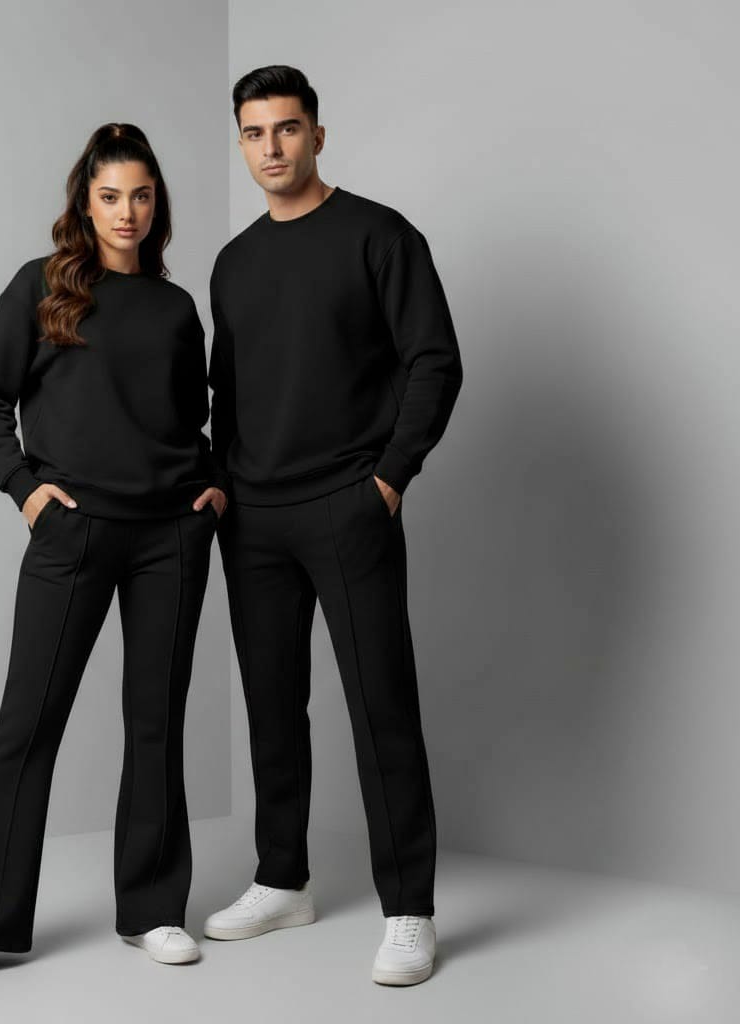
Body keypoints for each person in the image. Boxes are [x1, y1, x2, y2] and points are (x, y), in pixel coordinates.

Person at [0, 123, 228, 991]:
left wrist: (213, 486)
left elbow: (190, 419)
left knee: (156, 722)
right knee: (27, 723)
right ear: (85, 203)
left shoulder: (176, 309)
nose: (127, 212)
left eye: (141, 195)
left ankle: (155, 909)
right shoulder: (41, 285)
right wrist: (25, 490)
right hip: (75, 531)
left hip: (170, 536)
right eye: (110, 196)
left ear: (157, 202)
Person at [203, 66, 463, 987]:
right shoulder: (233, 263)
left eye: (286, 128)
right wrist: (224, 488)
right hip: (254, 518)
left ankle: (409, 909)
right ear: (241, 143)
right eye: (254, 132)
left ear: (317, 134)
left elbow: (434, 362)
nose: (270, 147)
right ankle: (282, 880)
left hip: (350, 505)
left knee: (381, 707)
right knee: (272, 707)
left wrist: (387, 480)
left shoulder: (380, 236)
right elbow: (227, 392)